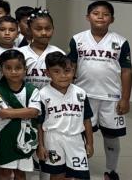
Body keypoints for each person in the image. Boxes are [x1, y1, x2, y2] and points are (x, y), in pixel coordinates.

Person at [68, 0, 131, 180]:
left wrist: (125, 98)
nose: (101, 17)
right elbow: (70, 66)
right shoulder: (77, 39)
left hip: (111, 97)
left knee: (111, 135)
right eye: (96, 13)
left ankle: (111, 171)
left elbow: (126, 71)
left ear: (112, 19)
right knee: (80, 134)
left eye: (105, 14)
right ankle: (78, 167)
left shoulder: (120, 42)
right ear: (88, 17)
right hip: (83, 95)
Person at [37, 52, 94, 180]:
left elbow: (87, 120)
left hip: (76, 139)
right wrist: (40, 145)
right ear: (47, 73)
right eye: (56, 71)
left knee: (81, 175)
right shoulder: (42, 95)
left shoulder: (81, 93)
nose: (63, 76)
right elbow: (39, 123)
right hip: (53, 139)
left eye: (67, 71)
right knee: (57, 175)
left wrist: (90, 143)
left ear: (73, 70)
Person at [0, 49, 41, 179]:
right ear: (1, 70)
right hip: (4, 135)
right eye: (8, 68)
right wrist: (26, 112)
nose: (13, 72)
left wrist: (11, 112)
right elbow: (2, 113)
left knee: (21, 172)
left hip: (25, 136)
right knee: (5, 171)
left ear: (25, 69)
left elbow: (34, 111)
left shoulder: (32, 90)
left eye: (18, 68)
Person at [17, 9, 63, 89]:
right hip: (26, 98)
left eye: (48, 29)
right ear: (29, 30)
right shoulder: (20, 53)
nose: (44, 33)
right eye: (38, 29)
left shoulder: (59, 53)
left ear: (53, 29)